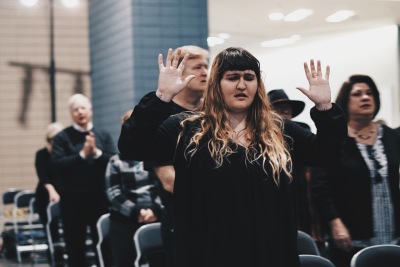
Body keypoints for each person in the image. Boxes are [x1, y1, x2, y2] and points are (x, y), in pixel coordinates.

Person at [118, 47, 347, 267]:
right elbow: (132, 147)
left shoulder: (280, 130)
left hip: (271, 253)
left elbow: (327, 155)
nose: (241, 85)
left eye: (249, 77)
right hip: (208, 253)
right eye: (232, 77)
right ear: (216, 84)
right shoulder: (185, 128)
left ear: (258, 84)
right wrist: (161, 97)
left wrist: (325, 108)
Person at [120, 45, 209, 267]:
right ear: (179, 71)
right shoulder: (161, 117)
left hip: (216, 218)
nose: (205, 72)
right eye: (197, 67)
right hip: (184, 221)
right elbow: (169, 181)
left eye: (207, 66)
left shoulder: (211, 114)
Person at [312, 74, 400, 267]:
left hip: (392, 229)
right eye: (358, 94)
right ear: (346, 100)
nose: (365, 98)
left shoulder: (392, 136)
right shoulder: (335, 139)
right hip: (351, 233)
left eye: (370, 93)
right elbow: (321, 186)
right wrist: (335, 222)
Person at [50, 94, 115, 267]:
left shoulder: (102, 134)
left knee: (103, 242)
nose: (80, 112)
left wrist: (96, 153)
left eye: (83, 108)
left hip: (99, 197)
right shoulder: (62, 137)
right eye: (75, 110)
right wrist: (81, 155)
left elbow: (113, 161)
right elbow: (56, 165)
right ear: (71, 114)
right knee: (74, 246)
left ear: (90, 111)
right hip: (72, 200)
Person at [105, 109, 163, 267]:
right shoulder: (116, 161)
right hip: (126, 220)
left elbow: (164, 187)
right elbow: (114, 194)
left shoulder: (156, 156)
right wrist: (138, 212)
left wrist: (155, 210)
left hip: (155, 215)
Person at [267, 89, 322, 239]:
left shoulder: (302, 137)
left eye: (287, 108)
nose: (285, 111)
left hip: (306, 207)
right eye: (279, 108)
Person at [34, 122, 64, 227]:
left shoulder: (65, 153)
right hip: (46, 191)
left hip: (63, 189)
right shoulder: (41, 154)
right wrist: (52, 191)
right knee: (50, 224)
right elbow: (42, 176)